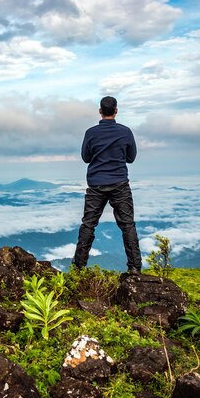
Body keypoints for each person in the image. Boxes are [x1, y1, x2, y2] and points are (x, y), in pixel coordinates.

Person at [72, 96, 142, 274]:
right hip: (120, 183)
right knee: (127, 225)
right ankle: (134, 268)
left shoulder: (91, 133)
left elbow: (86, 158)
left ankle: (78, 268)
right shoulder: (126, 132)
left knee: (88, 224)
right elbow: (131, 158)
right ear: (116, 110)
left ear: (100, 111)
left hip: (96, 184)